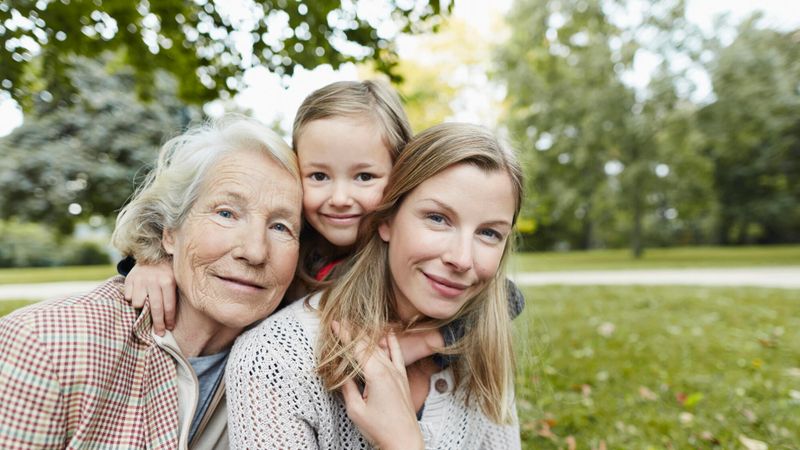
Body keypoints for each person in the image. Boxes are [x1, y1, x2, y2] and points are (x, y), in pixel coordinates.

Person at [122, 80, 523, 365]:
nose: (340, 198)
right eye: (318, 176)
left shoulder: (402, 259)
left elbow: (506, 298)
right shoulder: (289, 242)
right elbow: (195, 239)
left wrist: (423, 343)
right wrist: (152, 261)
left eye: (364, 177)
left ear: (400, 176)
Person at [0, 117, 302, 449]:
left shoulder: (294, 365)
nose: (255, 251)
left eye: (281, 227)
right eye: (226, 213)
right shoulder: (45, 345)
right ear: (169, 232)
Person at [226, 122, 523, 449]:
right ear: (386, 220)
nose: (462, 259)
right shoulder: (275, 359)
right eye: (437, 218)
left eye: (489, 233)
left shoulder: (482, 346)